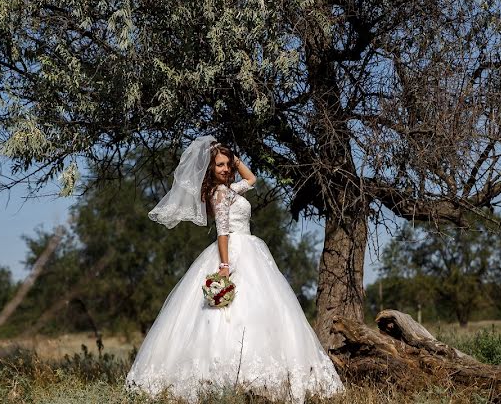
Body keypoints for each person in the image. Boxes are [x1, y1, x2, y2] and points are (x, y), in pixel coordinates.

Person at [124, 135, 344, 403]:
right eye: (219, 165)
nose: (225, 169)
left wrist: (234, 157)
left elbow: (251, 180)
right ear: (210, 169)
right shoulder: (218, 194)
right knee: (228, 315)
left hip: (250, 248)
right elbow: (222, 232)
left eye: (227, 165)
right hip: (233, 250)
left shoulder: (229, 190)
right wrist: (225, 265)